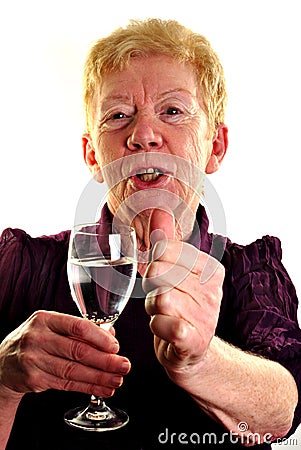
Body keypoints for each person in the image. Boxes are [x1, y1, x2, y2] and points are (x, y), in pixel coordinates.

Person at [0, 18, 300, 450]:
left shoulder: (251, 269)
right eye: (118, 115)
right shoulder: (21, 265)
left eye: (173, 111)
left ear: (215, 146)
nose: (142, 134)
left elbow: (280, 416)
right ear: (93, 155)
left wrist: (201, 361)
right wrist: (4, 382)